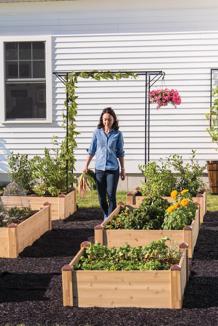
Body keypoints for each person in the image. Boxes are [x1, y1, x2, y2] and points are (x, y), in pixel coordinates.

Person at [83, 107, 125, 220]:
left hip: (112, 169)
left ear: (114, 120)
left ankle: (110, 219)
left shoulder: (118, 134)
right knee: (101, 197)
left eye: (109, 120)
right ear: (102, 120)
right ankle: (106, 214)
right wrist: (86, 165)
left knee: (111, 195)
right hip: (99, 170)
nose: (107, 122)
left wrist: (123, 169)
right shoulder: (97, 133)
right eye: (105, 119)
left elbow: (120, 153)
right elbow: (92, 150)